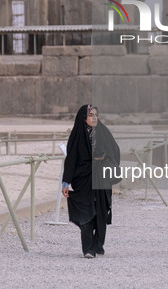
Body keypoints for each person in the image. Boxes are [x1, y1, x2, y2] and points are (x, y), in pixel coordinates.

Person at [61, 104, 121, 258]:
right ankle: (88, 248)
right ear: (83, 118)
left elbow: (115, 151)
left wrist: (104, 158)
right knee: (86, 213)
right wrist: (65, 182)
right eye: (90, 115)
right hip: (83, 180)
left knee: (101, 212)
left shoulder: (103, 132)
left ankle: (97, 244)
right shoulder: (77, 135)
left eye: (96, 114)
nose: (94, 118)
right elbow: (71, 159)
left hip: (101, 179)